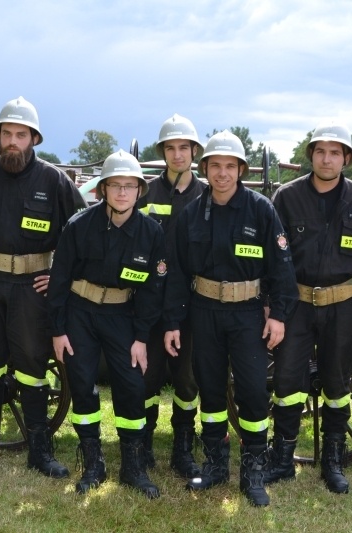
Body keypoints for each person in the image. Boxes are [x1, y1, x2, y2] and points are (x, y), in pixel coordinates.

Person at [163, 130, 298, 507]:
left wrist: (279, 315)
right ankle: (216, 465)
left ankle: (253, 471)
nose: (222, 173)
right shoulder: (191, 214)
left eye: (230, 166)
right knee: (210, 389)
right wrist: (172, 322)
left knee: (253, 392)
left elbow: (282, 267)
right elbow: (176, 273)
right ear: (205, 168)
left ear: (241, 170)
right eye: (215, 166)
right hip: (204, 311)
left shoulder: (261, 210)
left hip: (247, 313)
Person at [0, 96, 85, 477]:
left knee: (32, 364)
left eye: (21, 135)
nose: (13, 141)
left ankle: (39, 450)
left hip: (33, 286)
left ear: (34, 139)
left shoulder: (54, 181)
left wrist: (60, 274)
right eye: (7, 134)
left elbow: (83, 232)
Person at [49, 150, 166, 498]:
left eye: (129, 185)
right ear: (103, 189)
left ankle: (133, 467)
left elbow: (152, 291)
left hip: (122, 316)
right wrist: (58, 330)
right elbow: (59, 281)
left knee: (132, 386)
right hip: (79, 313)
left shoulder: (151, 233)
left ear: (139, 190)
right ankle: (93, 463)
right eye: (115, 185)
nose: (122, 192)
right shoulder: (78, 226)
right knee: (82, 385)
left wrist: (141, 337)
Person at [269, 122, 352, 494]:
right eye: (320, 151)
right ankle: (282, 459)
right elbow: (273, 257)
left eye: (334, 153)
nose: (326, 159)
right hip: (296, 304)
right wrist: (271, 306)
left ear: (346, 158)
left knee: (337, 383)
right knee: (287, 382)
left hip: (343, 305)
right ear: (311, 156)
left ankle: (333, 460)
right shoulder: (286, 197)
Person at [135, 114, 206, 478]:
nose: (178, 155)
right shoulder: (145, 193)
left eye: (184, 148)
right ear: (162, 152)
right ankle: (144, 442)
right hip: (150, 298)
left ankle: (183, 446)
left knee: (187, 377)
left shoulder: (207, 195)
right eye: (171, 148)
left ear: (194, 152)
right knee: (147, 376)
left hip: (192, 300)